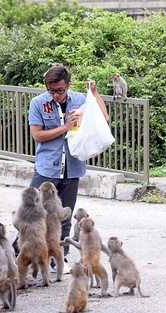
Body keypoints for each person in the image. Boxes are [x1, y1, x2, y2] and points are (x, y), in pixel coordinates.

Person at [14, 64, 109, 271]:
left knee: (64, 215)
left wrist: (94, 93)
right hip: (47, 167)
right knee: (31, 214)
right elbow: (38, 136)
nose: (56, 95)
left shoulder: (79, 100)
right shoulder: (38, 103)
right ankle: (20, 257)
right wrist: (65, 126)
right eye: (51, 90)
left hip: (72, 166)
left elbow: (103, 118)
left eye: (60, 90)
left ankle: (58, 259)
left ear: (68, 85)